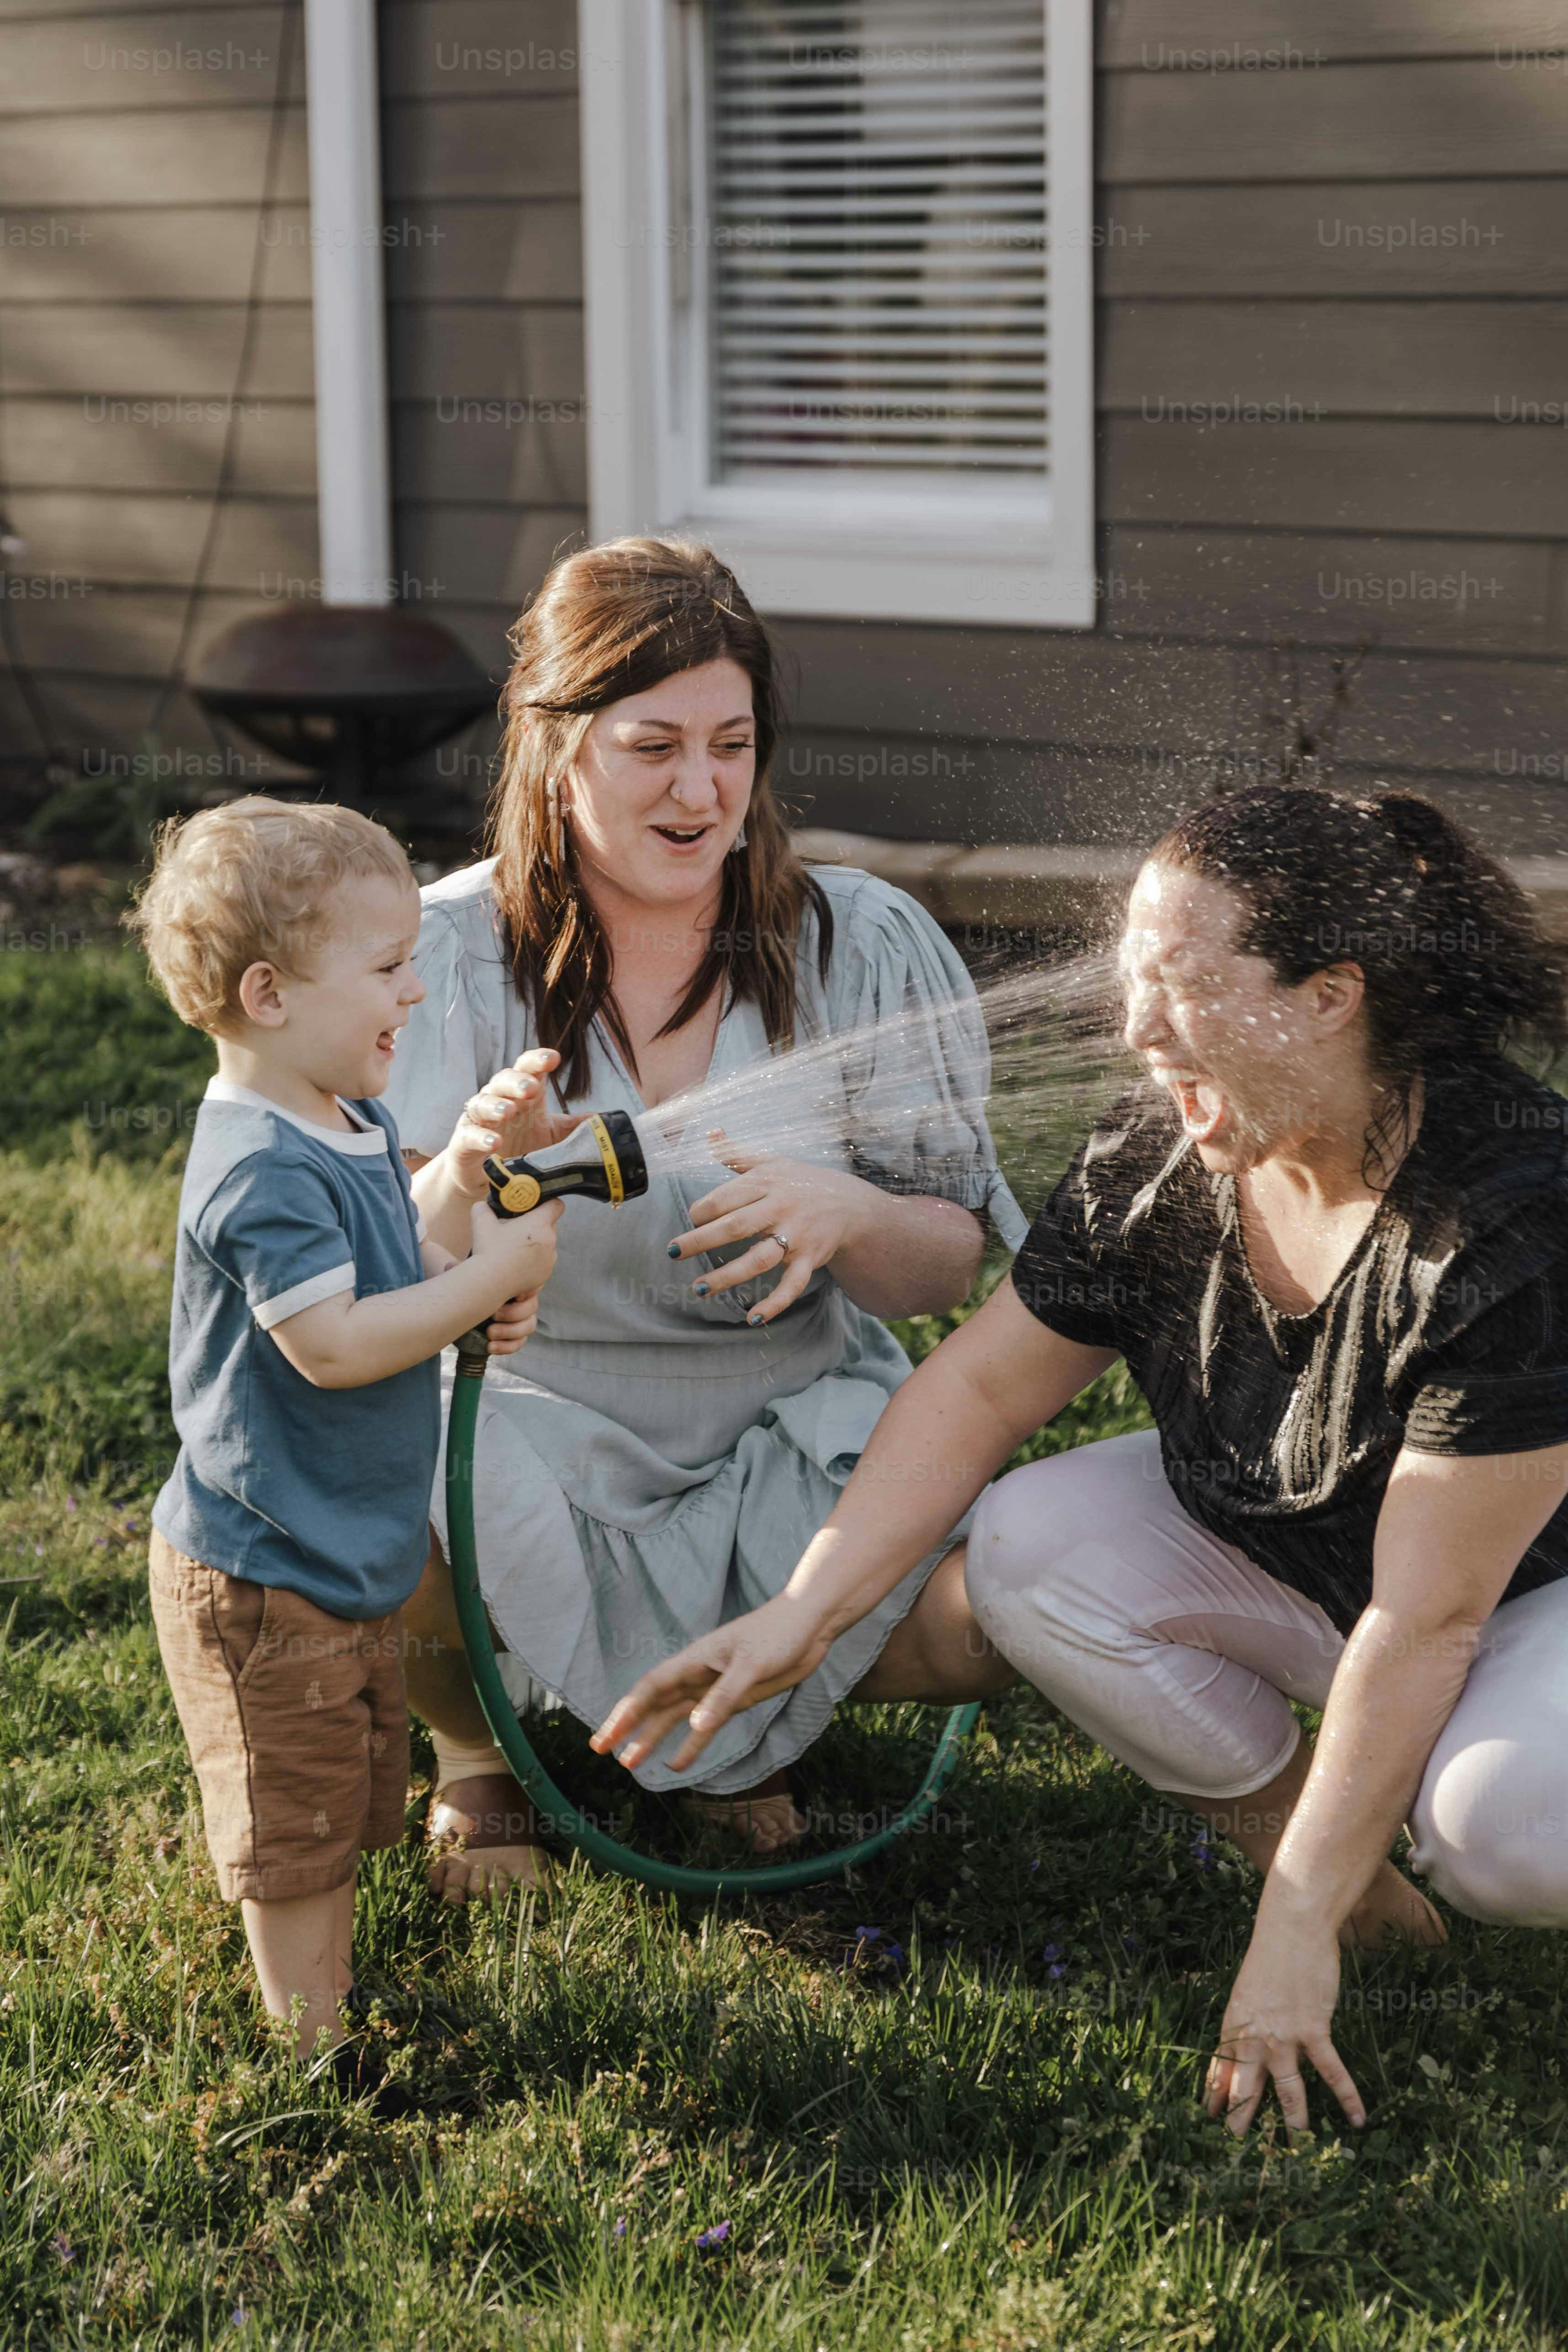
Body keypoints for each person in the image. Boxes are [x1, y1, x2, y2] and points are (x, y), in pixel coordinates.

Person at [594, 785, 1568, 2141]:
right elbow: (983, 1385)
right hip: (1309, 1549)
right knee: (1029, 1545)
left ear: (1329, 995)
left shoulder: (1509, 1218)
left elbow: (1431, 1614)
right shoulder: (1162, 1158)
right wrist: (801, 1615)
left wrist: (1287, 1937)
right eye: (1128, 981)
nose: (1133, 1029)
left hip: (1519, 1601)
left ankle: (1359, 1863)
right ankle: (1342, 1860)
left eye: (1177, 985)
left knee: (1506, 1830)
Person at [384, 534, 1026, 1903]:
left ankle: (739, 1722)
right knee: (359, 1450)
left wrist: (851, 1212)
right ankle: (471, 1753)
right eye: (653, 745)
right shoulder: (436, 955)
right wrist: (468, 1175)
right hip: (534, 1420)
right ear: (558, 746)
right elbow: (370, 1279)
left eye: (732, 743)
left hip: (785, 1425)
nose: (701, 789)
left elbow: (944, 1269)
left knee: (1009, 1604)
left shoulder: (853, 943)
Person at [132, 798, 559, 2074]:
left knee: (339, 1780)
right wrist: (481, 1289)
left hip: (333, 1546)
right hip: (262, 1572)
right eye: (385, 969)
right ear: (268, 993)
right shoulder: (258, 1165)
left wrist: (467, 1238)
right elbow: (336, 1343)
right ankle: (313, 2057)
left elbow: (393, 1269)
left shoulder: (348, 1119)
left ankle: (326, 2002)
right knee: (298, 1824)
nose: (415, 994)